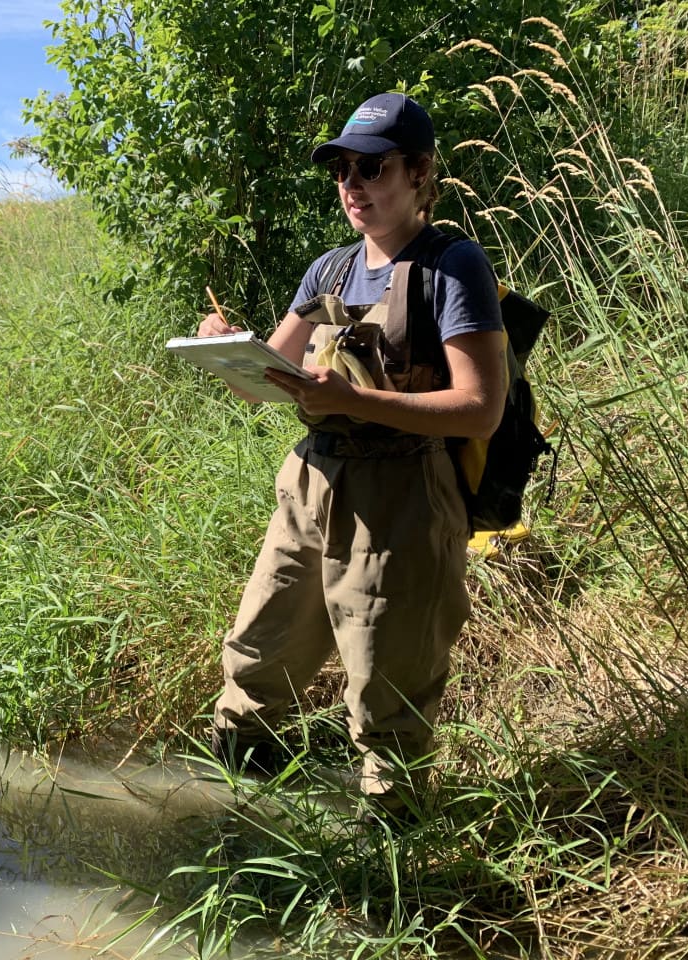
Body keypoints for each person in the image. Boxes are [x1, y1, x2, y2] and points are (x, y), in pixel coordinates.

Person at [198, 93, 507, 822]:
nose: (352, 184)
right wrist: (222, 345)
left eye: (372, 166)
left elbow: (479, 406)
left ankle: (388, 883)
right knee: (254, 660)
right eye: (342, 169)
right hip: (309, 486)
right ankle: (236, 833)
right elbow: (265, 382)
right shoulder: (328, 271)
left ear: (420, 171)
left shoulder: (452, 265)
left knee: (386, 694)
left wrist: (356, 402)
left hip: (403, 499)